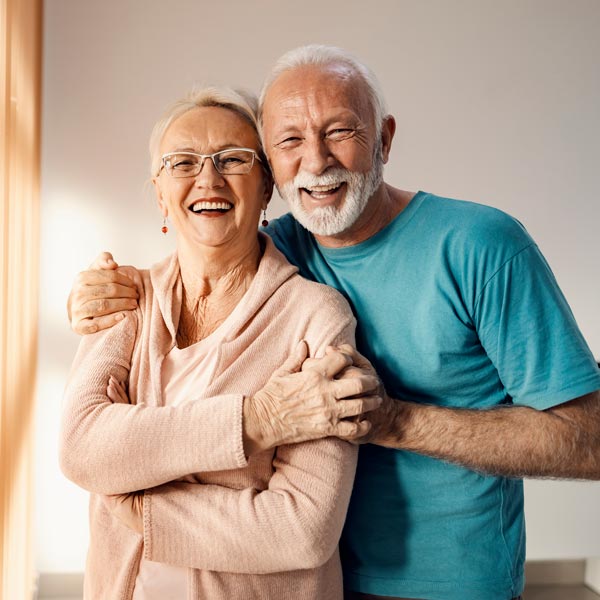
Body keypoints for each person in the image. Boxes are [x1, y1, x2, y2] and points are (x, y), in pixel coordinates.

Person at [67, 46, 600, 600]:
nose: (317, 162)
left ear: (385, 139)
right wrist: (94, 297)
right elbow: (206, 244)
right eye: (291, 140)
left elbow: (591, 438)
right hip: (317, 583)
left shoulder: (480, 246)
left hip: (452, 583)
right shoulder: (282, 249)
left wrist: (392, 420)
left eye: (340, 131)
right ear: (273, 165)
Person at [59, 85, 384, 600]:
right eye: (182, 162)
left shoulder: (316, 316)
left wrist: (142, 511)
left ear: (266, 187)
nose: (207, 178)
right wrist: (259, 420)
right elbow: (81, 449)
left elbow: (301, 530)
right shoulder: (124, 297)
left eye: (232, 159)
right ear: (160, 190)